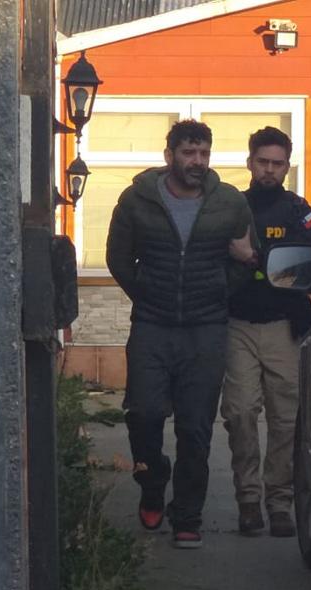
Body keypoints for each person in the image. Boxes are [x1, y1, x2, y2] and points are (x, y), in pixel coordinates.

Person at [106, 119, 255, 549]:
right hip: (152, 326)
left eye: (204, 153)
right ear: (169, 155)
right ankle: (152, 482)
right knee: (143, 414)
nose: (197, 161)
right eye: (189, 153)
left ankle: (188, 516)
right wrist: (147, 292)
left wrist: (219, 290)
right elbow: (118, 258)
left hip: (205, 329)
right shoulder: (137, 200)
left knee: (195, 428)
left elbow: (248, 258)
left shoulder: (229, 202)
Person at [221, 126, 311, 538]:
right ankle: (248, 500)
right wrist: (260, 262)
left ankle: (279, 503)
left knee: (286, 419)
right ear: (250, 163)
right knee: (240, 412)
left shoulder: (300, 212)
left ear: (286, 167)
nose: (269, 170)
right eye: (262, 162)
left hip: (283, 324)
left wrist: (251, 258)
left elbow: (296, 268)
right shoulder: (231, 208)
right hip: (238, 323)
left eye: (277, 164)